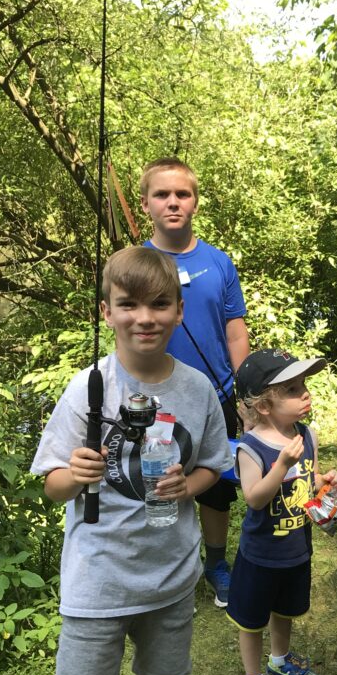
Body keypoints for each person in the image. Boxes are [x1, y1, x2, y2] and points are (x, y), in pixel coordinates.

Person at [31, 248, 233, 675]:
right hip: (98, 578)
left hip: (170, 572)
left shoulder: (198, 390)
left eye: (159, 304)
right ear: (107, 312)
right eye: (129, 305)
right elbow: (51, 485)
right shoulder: (87, 388)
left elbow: (213, 465)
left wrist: (188, 485)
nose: (145, 317)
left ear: (179, 311)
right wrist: (75, 474)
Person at [140, 157, 250, 608]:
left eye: (182, 194)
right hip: (155, 398)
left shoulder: (218, 262)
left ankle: (216, 564)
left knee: (216, 485)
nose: (173, 202)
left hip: (217, 394)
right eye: (162, 194)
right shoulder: (137, 265)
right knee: (158, 482)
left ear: (195, 203)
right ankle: (165, 569)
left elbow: (235, 332)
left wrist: (246, 394)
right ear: (146, 204)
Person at [226, 349, 337, 675]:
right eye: (292, 389)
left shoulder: (306, 435)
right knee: (251, 620)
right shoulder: (251, 447)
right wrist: (280, 466)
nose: (305, 393)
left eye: (303, 384)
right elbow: (255, 498)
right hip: (260, 554)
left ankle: (279, 660)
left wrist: (326, 481)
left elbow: (309, 479)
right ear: (264, 405)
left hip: (296, 549)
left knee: (285, 610)